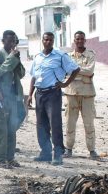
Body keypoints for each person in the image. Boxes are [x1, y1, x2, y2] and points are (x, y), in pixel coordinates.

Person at [28, 32, 80, 165]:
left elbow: (75, 69)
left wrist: (65, 84)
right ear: (42, 41)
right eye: (46, 40)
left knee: (54, 124)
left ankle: (58, 154)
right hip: (39, 94)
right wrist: (29, 95)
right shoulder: (37, 57)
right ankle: (45, 153)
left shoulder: (60, 56)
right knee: (41, 124)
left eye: (51, 40)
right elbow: (33, 76)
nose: (48, 42)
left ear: (53, 41)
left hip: (53, 94)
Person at [0, 30, 26, 168]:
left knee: (11, 129)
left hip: (13, 97)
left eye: (14, 41)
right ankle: (0, 159)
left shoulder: (14, 55)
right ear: (3, 41)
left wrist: (17, 60)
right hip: (0, 98)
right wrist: (11, 58)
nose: (12, 44)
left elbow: (21, 74)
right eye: (9, 41)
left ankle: (10, 158)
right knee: (1, 129)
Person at [64, 31, 99, 159]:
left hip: (87, 93)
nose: (79, 41)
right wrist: (79, 71)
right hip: (71, 92)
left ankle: (92, 150)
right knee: (70, 122)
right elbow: (66, 71)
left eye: (82, 39)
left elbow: (90, 71)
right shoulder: (68, 56)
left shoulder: (90, 55)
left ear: (85, 40)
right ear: (74, 40)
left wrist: (75, 70)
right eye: (77, 39)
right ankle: (68, 148)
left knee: (89, 122)